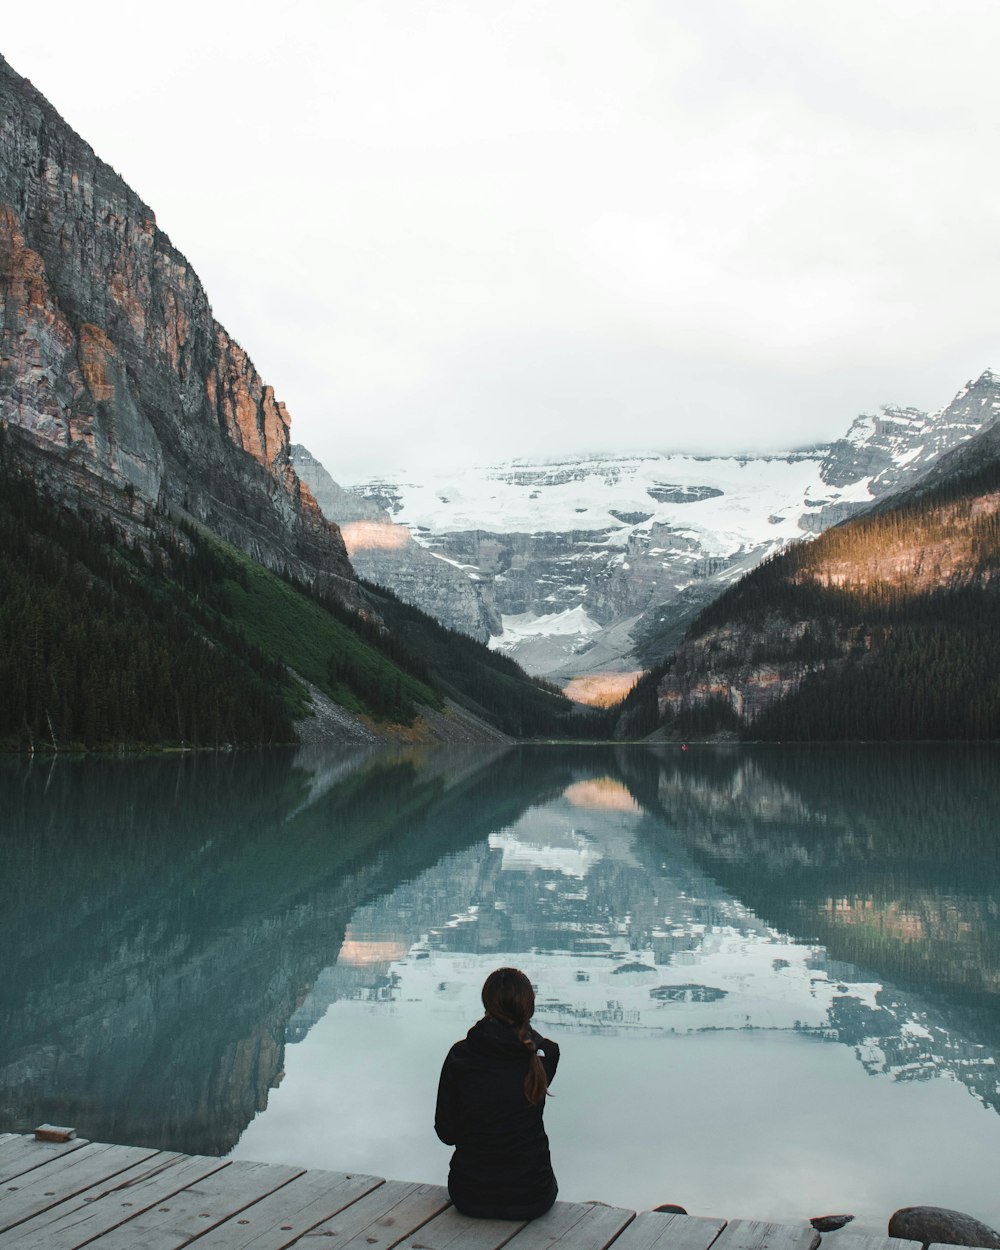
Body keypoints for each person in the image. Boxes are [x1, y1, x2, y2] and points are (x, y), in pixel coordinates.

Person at [434, 967, 560, 1220]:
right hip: (533, 1195)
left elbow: (446, 1134)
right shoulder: (544, 1057)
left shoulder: (460, 1056)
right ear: (529, 1006)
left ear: (486, 1003)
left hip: (470, 1196)